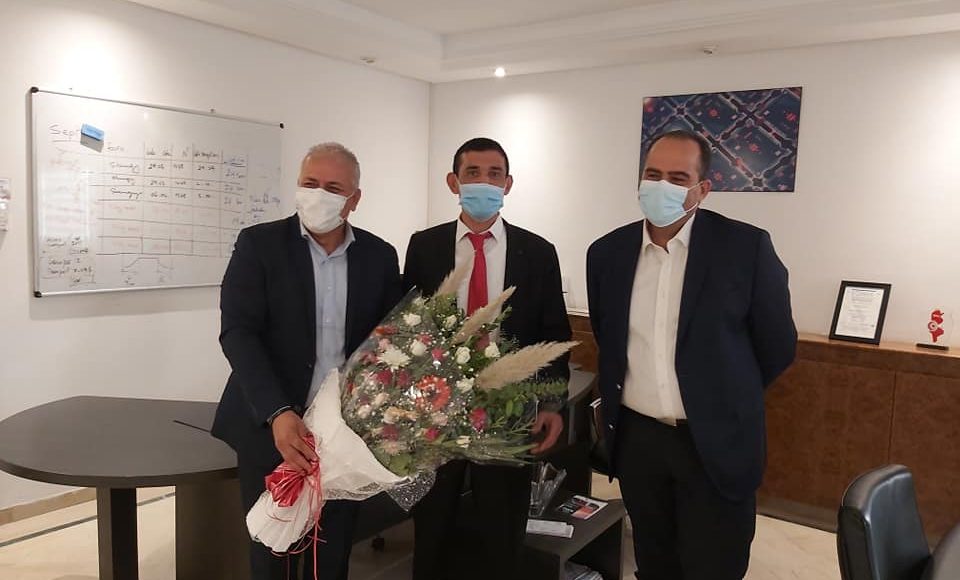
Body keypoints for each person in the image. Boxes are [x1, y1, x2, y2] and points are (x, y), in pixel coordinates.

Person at [586, 129, 798, 579]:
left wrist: (722, 396)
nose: (661, 186)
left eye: (678, 178)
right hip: (639, 443)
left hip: (715, 444)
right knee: (654, 563)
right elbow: (609, 339)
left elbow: (777, 345)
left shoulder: (745, 248)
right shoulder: (606, 253)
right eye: (652, 174)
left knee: (714, 566)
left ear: (702, 189)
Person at [212, 142, 402, 580]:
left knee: (331, 555)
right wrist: (277, 412)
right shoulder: (259, 245)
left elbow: (388, 342)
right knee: (272, 553)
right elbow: (238, 333)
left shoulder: (379, 256)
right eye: (310, 183)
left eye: (333, 188)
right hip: (272, 427)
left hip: (343, 436)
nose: (319, 195)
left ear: (354, 199)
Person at [403, 137, 572, 579]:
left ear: (508, 184)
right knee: (433, 528)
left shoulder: (538, 252)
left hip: (508, 413)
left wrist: (552, 404)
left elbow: (555, 334)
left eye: (494, 174)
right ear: (453, 181)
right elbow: (408, 329)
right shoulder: (424, 246)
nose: (484, 182)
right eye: (472, 173)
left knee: (502, 532)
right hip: (437, 415)